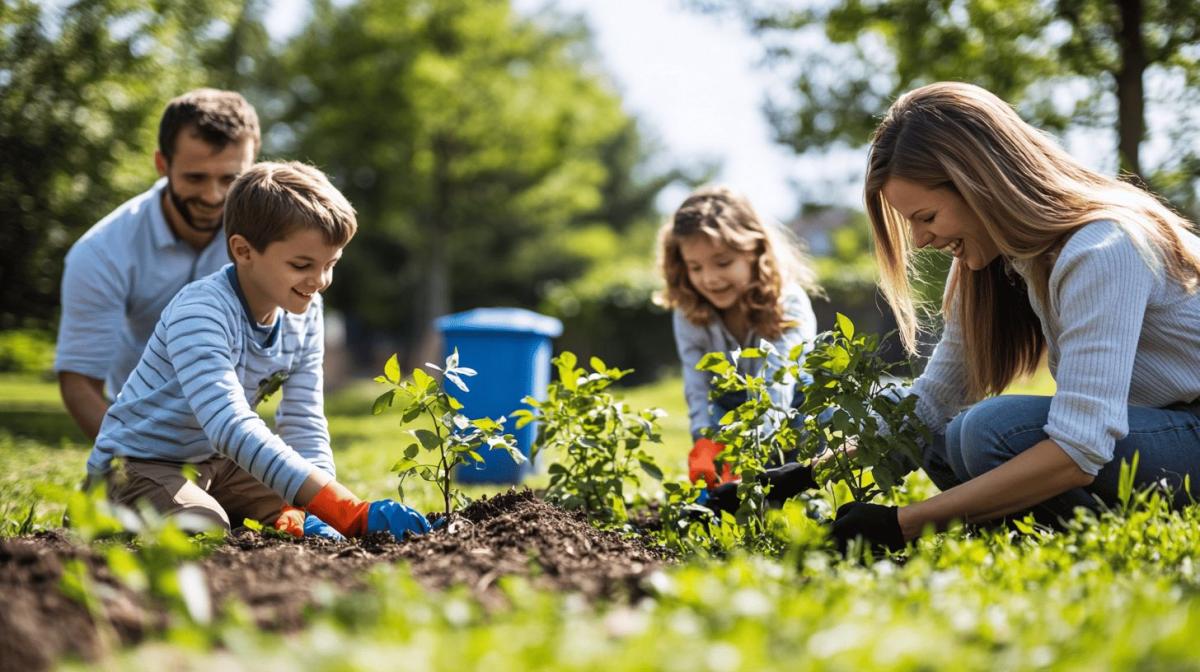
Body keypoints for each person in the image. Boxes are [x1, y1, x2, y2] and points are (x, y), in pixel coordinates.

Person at [832, 81, 1200, 552]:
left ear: (979, 184)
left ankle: (1106, 539)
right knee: (940, 436)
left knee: (990, 431)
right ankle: (1054, 530)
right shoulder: (995, 261)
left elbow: (1079, 449)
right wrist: (803, 475)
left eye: (927, 217)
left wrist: (901, 524)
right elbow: (931, 401)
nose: (920, 240)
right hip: (1154, 431)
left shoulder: (1104, 247)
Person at [85, 161, 430, 541]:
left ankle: (252, 511)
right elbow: (228, 425)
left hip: (220, 463)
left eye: (331, 264)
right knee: (203, 527)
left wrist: (322, 514)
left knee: (296, 504)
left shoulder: (306, 312)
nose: (320, 281)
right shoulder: (201, 312)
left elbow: (304, 420)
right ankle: (100, 512)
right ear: (243, 251)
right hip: (137, 464)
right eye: (302, 265)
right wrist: (346, 511)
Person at [56, 89, 260, 440]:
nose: (213, 196)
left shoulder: (268, 239)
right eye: (195, 177)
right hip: (138, 419)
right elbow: (79, 381)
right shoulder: (101, 252)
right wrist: (130, 456)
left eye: (230, 179)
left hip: (233, 426)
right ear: (163, 165)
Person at [657, 185, 822, 498]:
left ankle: (800, 489)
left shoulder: (787, 302)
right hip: (729, 409)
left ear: (755, 252)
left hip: (792, 406)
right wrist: (704, 439)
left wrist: (752, 452)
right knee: (717, 495)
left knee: (808, 425)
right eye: (695, 267)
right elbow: (697, 384)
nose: (709, 278)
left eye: (722, 263)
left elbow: (778, 380)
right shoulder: (689, 312)